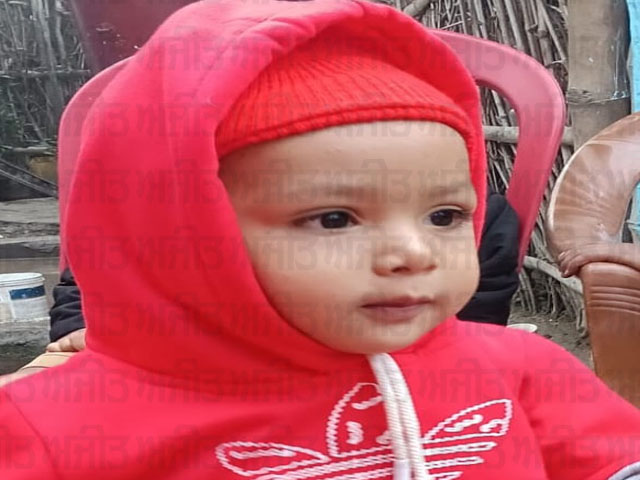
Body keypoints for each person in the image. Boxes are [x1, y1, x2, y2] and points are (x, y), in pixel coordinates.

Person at [1, 1, 639, 478]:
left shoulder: (520, 371)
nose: (413, 254)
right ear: (179, 237)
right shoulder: (61, 428)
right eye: (334, 219)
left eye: (444, 216)